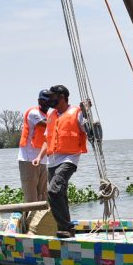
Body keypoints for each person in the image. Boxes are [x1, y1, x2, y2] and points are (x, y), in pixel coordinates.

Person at [33, 84, 88, 238]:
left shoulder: (76, 112)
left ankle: (66, 226)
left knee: (53, 190)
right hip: (52, 160)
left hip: (69, 158)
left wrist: (86, 111)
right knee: (60, 195)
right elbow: (46, 139)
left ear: (62, 97)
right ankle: (66, 230)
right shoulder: (51, 115)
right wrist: (39, 157)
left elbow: (87, 128)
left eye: (52, 97)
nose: (49, 100)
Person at [18, 89, 53, 235]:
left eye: (49, 101)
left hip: (42, 160)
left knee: (42, 196)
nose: (47, 103)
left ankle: (40, 228)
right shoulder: (34, 113)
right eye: (44, 100)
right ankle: (29, 231)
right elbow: (46, 125)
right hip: (28, 160)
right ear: (39, 101)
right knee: (31, 199)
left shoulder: (50, 115)